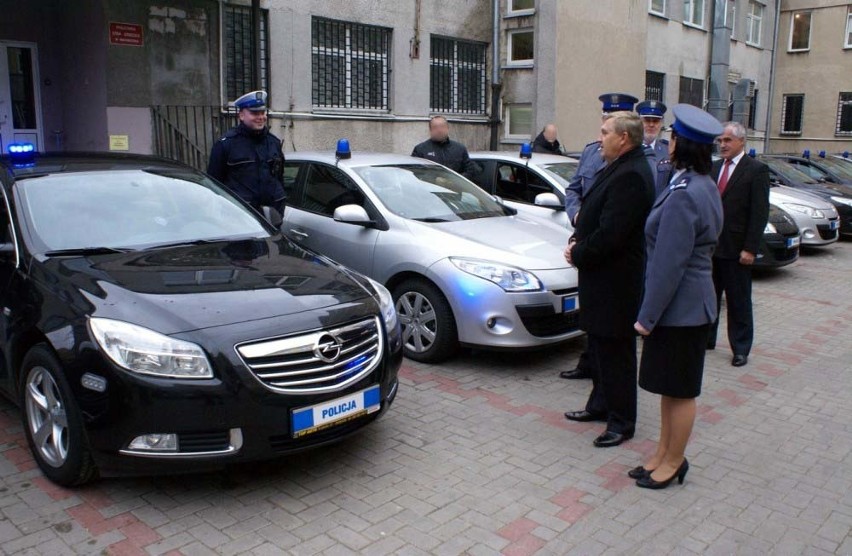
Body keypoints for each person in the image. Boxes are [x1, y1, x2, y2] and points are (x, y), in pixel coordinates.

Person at [631, 104, 724, 489]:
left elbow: (670, 264)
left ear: (679, 145)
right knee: (670, 388)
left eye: (672, 138)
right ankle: (662, 454)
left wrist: (646, 316)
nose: (667, 143)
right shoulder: (693, 183)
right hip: (684, 307)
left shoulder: (687, 192)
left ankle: (674, 461)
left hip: (681, 310)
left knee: (681, 392)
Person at [563, 111, 655, 448]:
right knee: (600, 349)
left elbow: (612, 235)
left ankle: (622, 421)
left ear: (624, 138)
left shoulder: (632, 174)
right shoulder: (617, 165)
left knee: (617, 355)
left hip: (615, 284)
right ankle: (600, 405)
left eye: (605, 132)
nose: (600, 138)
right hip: (601, 280)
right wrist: (580, 240)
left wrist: (579, 252)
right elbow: (594, 214)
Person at [559, 93, 640, 382]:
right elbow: (574, 190)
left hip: (613, 251)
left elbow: (625, 218)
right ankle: (590, 366)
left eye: (611, 122)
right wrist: (578, 217)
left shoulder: (642, 161)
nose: (604, 128)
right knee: (593, 317)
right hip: (590, 241)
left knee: (612, 329)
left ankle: (606, 387)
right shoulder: (592, 152)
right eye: (604, 119)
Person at [707, 121, 770, 367]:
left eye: (727, 141)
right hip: (711, 248)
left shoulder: (756, 170)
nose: (722, 145)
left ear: (741, 141)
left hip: (737, 250)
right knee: (709, 297)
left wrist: (750, 248)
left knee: (739, 302)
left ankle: (740, 348)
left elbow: (759, 213)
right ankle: (706, 339)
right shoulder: (712, 168)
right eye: (720, 141)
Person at [207, 90, 286, 215]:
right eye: (254, 113)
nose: (261, 117)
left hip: (272, 218)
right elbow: (214, 184)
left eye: (263, 112)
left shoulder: (273, 142)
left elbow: (279, 178)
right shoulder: (225, 145)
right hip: (241, 218)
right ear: (241, 116)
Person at [411, 116, 481, 180]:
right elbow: (415, 173)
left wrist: (455, 180)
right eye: (435, 127)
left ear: (447, 128)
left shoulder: (460, 149)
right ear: (430, 130)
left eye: (442, 127)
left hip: (454, 191)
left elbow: (471, 171)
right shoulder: (420, 150)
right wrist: (434, 180)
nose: (439, 130)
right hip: (430, 192)